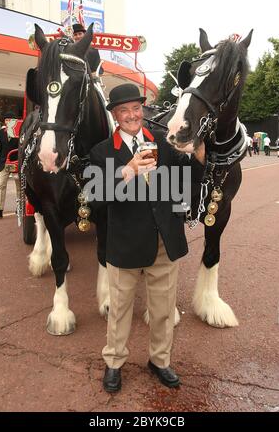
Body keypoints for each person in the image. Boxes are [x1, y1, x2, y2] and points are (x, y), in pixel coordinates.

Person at [86, 83, 205, 392]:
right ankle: (114, 362)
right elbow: (95, 198)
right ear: (115, 115)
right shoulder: (101, 151)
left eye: (136, 108)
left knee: (164, 309)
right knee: (120, 310)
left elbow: (185, 180)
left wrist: (199, 155)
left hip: (164, 242)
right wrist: (127, 171)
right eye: (124, 110)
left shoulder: (163, 143)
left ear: (142, 110)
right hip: (124, 244)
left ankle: (160, 360)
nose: (131, 115)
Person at [0, 113, 20, 218]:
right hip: (4, 162)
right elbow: (0, 147)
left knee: (18, 187)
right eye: (6, 120)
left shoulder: (18, 131)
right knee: (1, 185)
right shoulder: (1, 132)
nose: (8, 122)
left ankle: (19, 208)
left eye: (10, 120)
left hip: (15, 162)